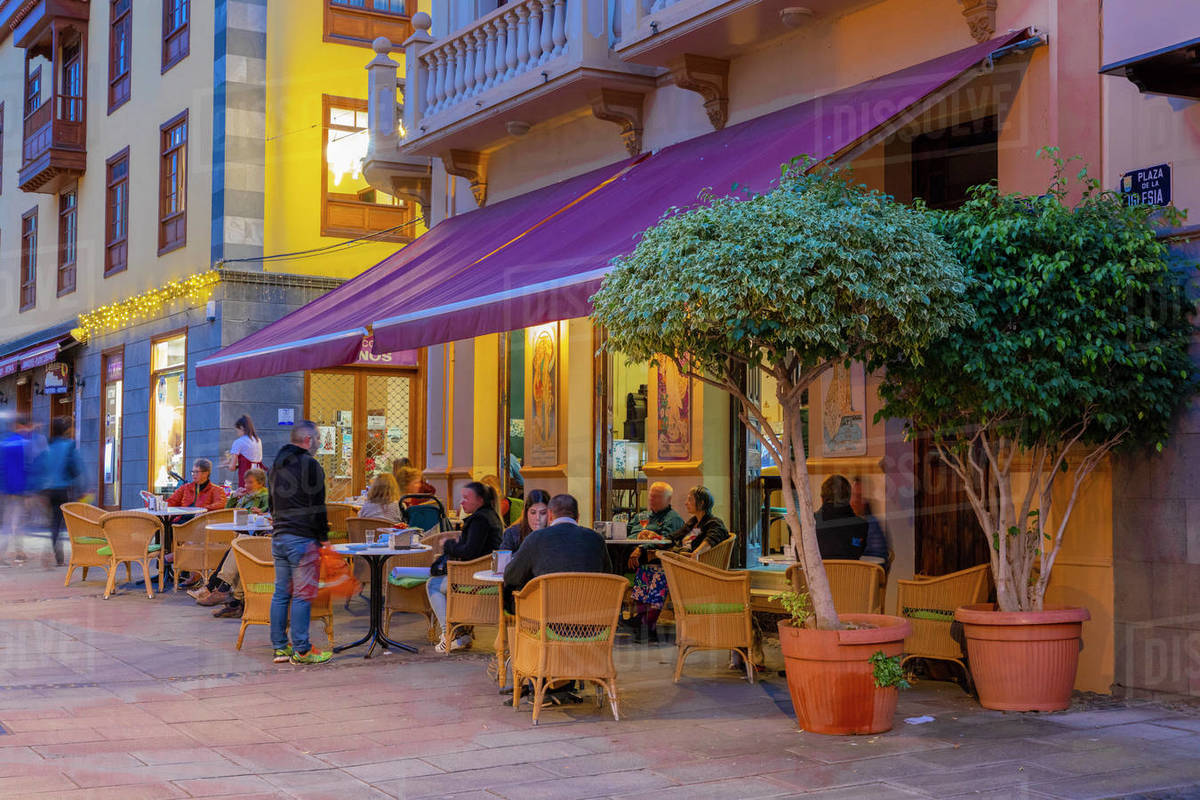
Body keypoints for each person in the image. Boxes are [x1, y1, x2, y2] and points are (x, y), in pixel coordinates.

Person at [627, 485, 729, 642]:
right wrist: (656, 537)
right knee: (647, 570)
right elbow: (673, 538)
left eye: (690, 499)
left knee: (660, 575)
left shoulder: (713, 522)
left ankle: (650, 624)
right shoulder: (693, 522)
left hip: (695, 568)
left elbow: (715, 536)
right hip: (680, 564)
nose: (686, 503)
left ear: (700, 503)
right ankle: (641, 618)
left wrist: (697, 553)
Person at [268, 421, 332, 665]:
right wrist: (323, 538)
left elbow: (272, 504)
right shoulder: (310, 464)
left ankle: (279, 648)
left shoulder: (276, 465)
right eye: (317, 438)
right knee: (303, 595)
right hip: (302, 538)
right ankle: (302, 649)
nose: (319, 443)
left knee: (281, 593)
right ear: (308, 440)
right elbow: (318, 505)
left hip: (280, 536)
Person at [428, 481, 503, 652]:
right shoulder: (490, 516)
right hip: (483, 573)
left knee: (432, 584)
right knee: (433, 578)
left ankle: (450, 634)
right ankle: (461, 633)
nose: (461, 502)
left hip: (477, 578)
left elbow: (470, 551)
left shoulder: (480, 520)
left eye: (466, 498)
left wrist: (448, 545)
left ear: (480, 501)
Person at [193, 468, 270, 615]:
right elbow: (228, 510)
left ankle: (219, 590)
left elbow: (267, 514)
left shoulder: (265, 496)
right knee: (237, 547)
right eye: (245, 482)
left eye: (250, 482)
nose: (247, 485)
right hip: (247, 534)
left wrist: (262, 513)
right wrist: (234, 497)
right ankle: (225, 594)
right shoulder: (247, 496)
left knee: (238, 547)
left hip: (259, 537)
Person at [36, 418, 85, 567]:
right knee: (64, 522)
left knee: (54, 522)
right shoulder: (69, 446)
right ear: (66, 430)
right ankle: (59, 554)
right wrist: (82, 488)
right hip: (64, 489)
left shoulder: (48, 446)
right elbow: (77, 468)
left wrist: (40, 490)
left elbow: (40, 467)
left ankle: (55, 552)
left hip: (48, 490)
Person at [0, 415, 36, 566]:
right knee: (17, 522)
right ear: (21, 426)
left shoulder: (4, 444)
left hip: (6, 489)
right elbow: (28, 468)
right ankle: (16, 553)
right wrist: (29, 491)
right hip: (20, 489)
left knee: (8, 521)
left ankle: (16, 552)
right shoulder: (24, 444)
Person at [814, 474, 868, 560]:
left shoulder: (810, 523)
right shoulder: (861, 526)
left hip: (817, 573)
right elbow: (859, 553)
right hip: (851, 573)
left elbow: (800, 556)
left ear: (822, 499)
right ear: (849, 499)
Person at [851, 478, 889, 565]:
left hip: (869, 569)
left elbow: (856, 546)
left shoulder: (870, 524)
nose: (855, 501)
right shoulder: (861, 521)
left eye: (859, 496)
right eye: (853, 496)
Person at [224, 415, 264, 489]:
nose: (237, 433)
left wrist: (226, 465)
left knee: (245, 498)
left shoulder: (238, 442)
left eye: (237, 430)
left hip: (246, 477)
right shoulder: (258, 440)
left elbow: (232, 467)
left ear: (242, 428)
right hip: (259, 475)